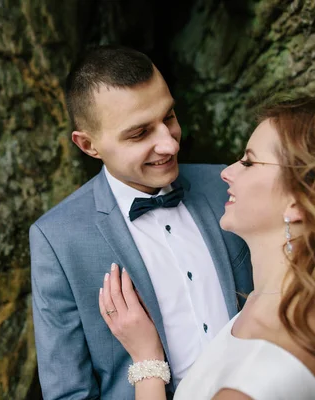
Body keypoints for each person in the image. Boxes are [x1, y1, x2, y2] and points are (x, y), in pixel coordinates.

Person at [99, 96, 315, 399]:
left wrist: (147, 362)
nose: (226, 172)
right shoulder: (302, 310)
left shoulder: (257, 382)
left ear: (301, 199)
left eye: (249, 161)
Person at [30, 45, 253, 399]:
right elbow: (69, 392)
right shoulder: (58, 239)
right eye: (139, 134)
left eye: (169, 117)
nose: (169, 145)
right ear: (88, 145)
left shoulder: (228, 184)